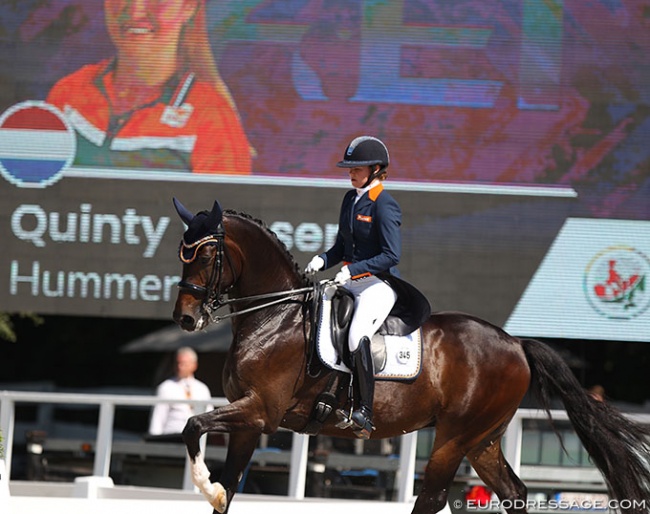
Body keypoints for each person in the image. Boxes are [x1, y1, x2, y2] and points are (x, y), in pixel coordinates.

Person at [46, 0, 252, 174]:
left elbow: (229, 218)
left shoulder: (214, 118)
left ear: (189, 7)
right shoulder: (69, 91)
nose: (135, 11)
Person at [305, 135, 402, 440]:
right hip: (350, 279)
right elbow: (341, 247)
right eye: (349, 168)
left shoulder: (385, 205)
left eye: (356, 168)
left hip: (377, 284)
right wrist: (323, 259)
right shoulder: (350, 199)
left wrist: (352, 271)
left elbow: (390, 255)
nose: (351, 172)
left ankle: (364, 411)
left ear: (375, 169)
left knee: (356, 334)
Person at [148, 346, 212, 437]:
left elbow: (209, 416)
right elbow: (157, 418)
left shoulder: (202, 388)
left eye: (184, 364)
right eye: (178, 363)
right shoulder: (166, 387)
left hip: (197, 438)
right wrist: (154, 442)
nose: (180, 367)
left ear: (194, 365)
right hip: (172, 437)